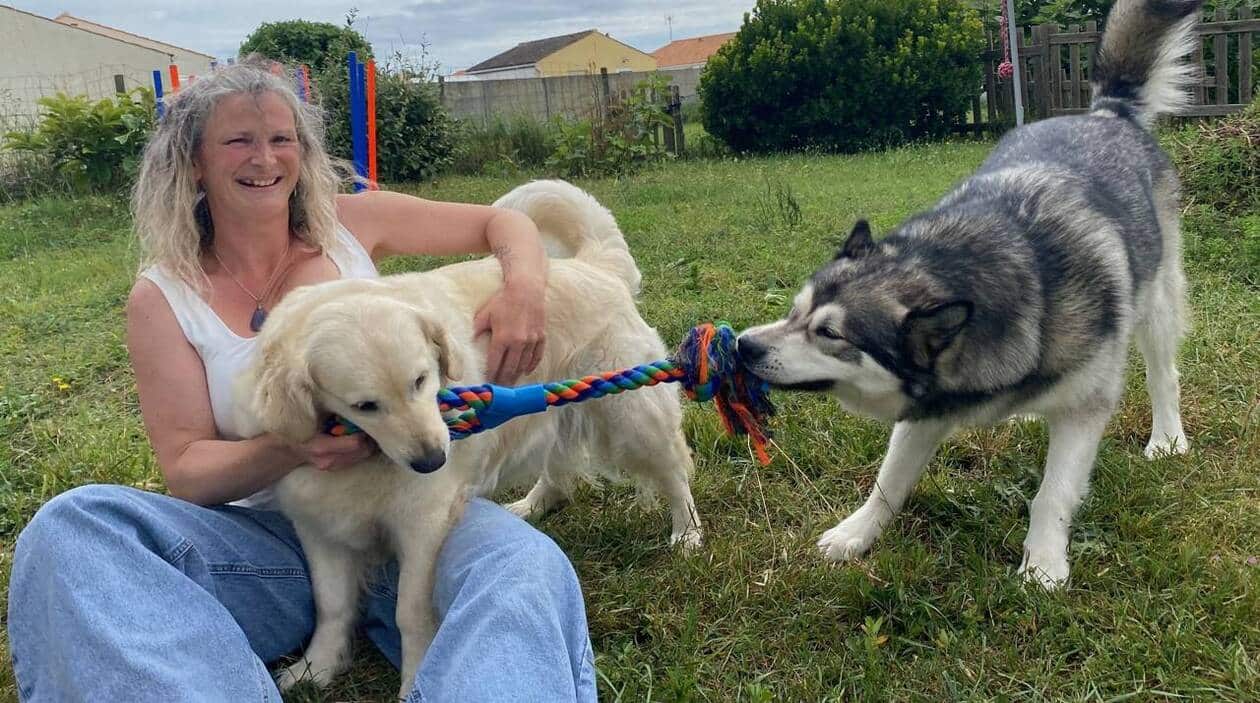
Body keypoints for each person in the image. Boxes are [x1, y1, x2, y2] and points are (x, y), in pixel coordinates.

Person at [7, 60, 597, 702]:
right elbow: (186, 469)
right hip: (271, 545)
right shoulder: (164, 297)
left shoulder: (351, 225)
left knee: (524, 567)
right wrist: (293, 448)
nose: (265, 159)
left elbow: (503, 224)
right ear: (193, 163)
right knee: (72, 525)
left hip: (423, 514)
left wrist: (525, 289)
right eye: (239, 141)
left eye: (282, 138)